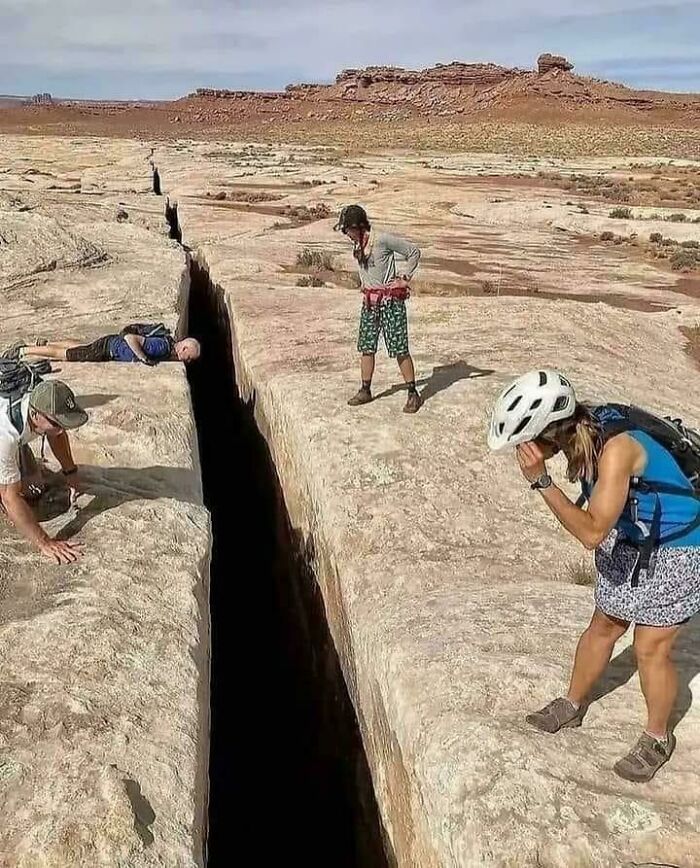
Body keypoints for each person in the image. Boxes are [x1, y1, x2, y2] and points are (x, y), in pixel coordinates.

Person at [487, 369, 700, 782]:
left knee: (650, 648)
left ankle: (658, 737)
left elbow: (591, 532)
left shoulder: (615, 450)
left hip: (678, 546)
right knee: (604, 624)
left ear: (548, 432)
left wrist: (542, 482)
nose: (523, 450)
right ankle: (572, 702)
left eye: (525, 439)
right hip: (632, 536)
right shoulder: (583, 432)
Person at [334, 205, 422, 414]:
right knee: (367, 346)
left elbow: (413, 252)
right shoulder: (358, 245)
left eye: (348, 229)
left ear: (359, 226)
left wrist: (404, 278)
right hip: (370, 304)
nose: (346, 234)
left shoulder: (381, 239)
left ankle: (412, 393)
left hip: (390, 303)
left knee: (400, 348)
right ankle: (365, 390)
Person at [0, 379, 88, 564]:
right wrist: (45, 542)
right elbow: (11, 497)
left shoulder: (41, 398)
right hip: (3, 441)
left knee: (35, 488)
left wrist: (70, 472)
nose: (61, 429)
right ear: (34, 414)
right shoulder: (5, 435)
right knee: (16, 499)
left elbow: (57, 434)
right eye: (57, 423)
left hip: (14, 439)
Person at [18, 333, 201, 366]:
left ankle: (45, 344)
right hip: (109, 349)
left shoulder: (167, 343)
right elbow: (131, 338)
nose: (187, 360)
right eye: (189, 356)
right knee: (65, 355)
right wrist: (143, 358)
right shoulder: (162, 346)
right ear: (183, 347)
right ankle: (25, 351)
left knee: (78, 347)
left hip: (110, 344)